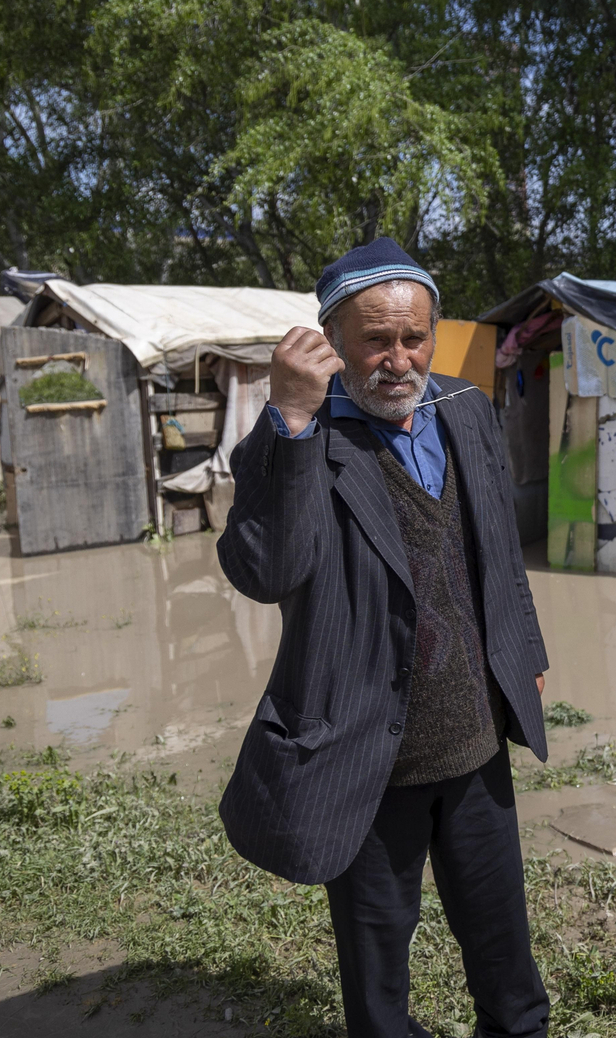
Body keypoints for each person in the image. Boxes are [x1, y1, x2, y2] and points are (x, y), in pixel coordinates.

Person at [216, 237, 551, 1038]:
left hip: (475, 744)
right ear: (332, 340)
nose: (398, 360)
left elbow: (500, 554)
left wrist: (526, 654)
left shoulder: (467, 411)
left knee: (508, 964)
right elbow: (266, 569)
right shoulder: (302, 441)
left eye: (414, 337)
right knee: (378, 990)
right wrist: (291, 418)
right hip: (368, 762)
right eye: (375, 340)